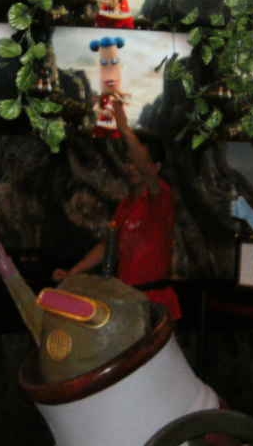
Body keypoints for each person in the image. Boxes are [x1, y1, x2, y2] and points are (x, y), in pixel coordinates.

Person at [54, 99, 182, 321]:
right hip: (128, 301)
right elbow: (108, 246)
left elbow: (145, 168)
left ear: (156, 167)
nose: (131, 167)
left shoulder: (160, 197)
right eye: (128, 162)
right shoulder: (126, 204)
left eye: (137, 161)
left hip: (155, 302)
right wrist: (73, 273)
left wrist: (123, 128)